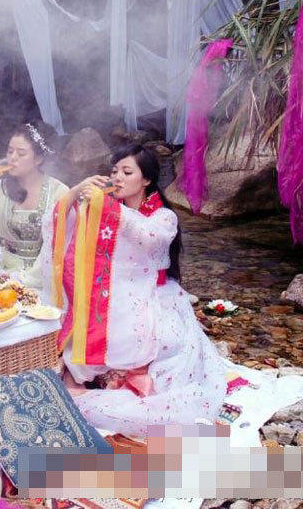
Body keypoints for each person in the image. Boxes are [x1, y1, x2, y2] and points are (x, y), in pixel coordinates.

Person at [44, 144, 225, 436]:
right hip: (112, 290)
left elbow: (147, 236)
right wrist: (76, 193)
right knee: (86, 315)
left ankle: (116, 377)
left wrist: (107, 207)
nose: (117, 177)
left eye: (127, 172)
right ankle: (93, 375)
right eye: (114, 171)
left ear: (146, 180)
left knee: (139, 331)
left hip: (149, 293)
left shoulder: (163, 216)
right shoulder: (104, 206)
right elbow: (63, 226)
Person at [0, 123, 67, 287]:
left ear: (38, 159)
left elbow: (61, 246)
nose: (12, 158)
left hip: (42, 275)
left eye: (21, 153)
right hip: (3, 273)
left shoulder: (59, 192)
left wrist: (25, 279)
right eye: (10, 151)